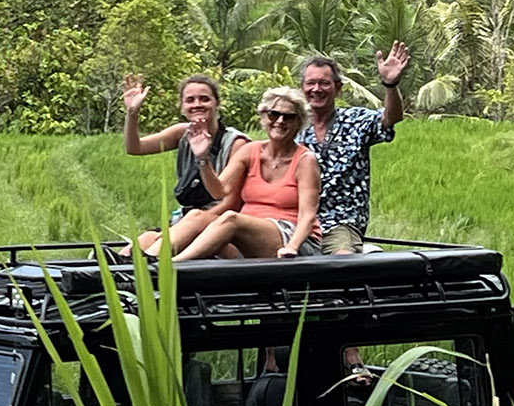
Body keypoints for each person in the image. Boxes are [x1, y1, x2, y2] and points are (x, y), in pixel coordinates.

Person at [175, 85, 321, 260]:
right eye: (274, 114)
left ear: (299, 122)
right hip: (246, 237)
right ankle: (146, 263)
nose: (280, 121)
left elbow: (308, 215)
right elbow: (218, 191)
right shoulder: (250, 150)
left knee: (231, 219)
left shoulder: (305, 160)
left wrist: (292, 247)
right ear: (264, 117)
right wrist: (203, 158)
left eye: (288, 117)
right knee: (197, 216)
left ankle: (171, 266)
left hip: (291, 237)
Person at [121, 73, 248, 258]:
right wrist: (132, 113)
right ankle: (117, 270)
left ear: (217, 103)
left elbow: (230, 203)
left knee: (193, 219)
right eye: (190, 100)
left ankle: (150, 267)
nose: (197, 104)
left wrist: (185, 225)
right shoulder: (182, 133)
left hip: (220, 225)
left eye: (204, 99)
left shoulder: (236, 143)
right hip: (186, 219)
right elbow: (134, 147)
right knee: (146, 239)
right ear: (182, 107)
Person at [297, 47, 409, 255]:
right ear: (302, 88)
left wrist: (390, 85)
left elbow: (390, 119)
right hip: (296, 218)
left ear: (338, 88)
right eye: (311, 83)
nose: (317, 89)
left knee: (342, 263)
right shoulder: (292, 126)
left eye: (324, 83)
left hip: (340, 221)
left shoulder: (355, 120)